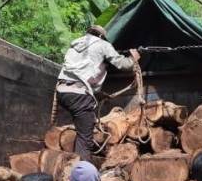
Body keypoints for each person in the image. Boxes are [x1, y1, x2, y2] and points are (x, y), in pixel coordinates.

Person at [56, 25, 140, 161]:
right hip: (79, 95)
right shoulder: (102, 44)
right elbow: (122, 64)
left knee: (82, 130)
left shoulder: (75, 45)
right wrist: (132, 59)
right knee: (85, 140)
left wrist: (98, 94)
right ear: (101, 36)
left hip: (63, 92)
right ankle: (82, 176)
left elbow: (81, 72)